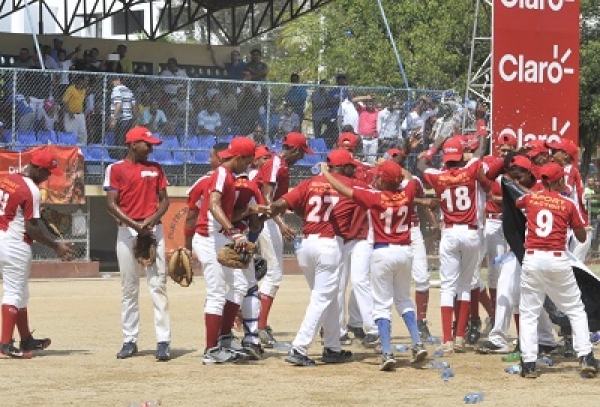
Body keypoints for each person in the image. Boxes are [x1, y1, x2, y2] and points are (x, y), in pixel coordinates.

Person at [322, 159, 434, 371]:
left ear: (383, 180)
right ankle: (417, 342)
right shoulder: (407, 193)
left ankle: (386, 352)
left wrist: (326, 173)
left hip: (382, 252)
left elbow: (344, 190)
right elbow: (409, 178)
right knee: (404, 300)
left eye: (380, 176)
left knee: (382, 304)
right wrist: (394, 166)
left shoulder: (375, 197)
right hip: (405, 252)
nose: (376, 178)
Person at [270, 149, 359, 366]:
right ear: (344, 167)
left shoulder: (310, 183)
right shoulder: (350, 185)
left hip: (307, 245)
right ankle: (299, 348)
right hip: (329, 245)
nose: (353, 170)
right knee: (321, 299)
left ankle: (332, 347)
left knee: (328, 298)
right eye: (351, 166)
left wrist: (267, 210)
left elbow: (281, 204)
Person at [417, 133, 503, 355]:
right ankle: (460, 338)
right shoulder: (471, 169)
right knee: (466, 286)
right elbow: (480, 150)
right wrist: (482, 130)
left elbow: (421, 164)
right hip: (471, 233)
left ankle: (447, 340)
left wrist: (434, 146)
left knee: (448, 287)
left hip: (450, 233)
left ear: (446, 157)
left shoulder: (438, 176)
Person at [515, 162, 598, 378]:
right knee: (575, 309)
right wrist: (578, 227)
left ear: (543, 180)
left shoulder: (531, 198)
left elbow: (517, 202)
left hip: (532, 259)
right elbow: (581, 237)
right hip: (557, 259)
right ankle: (585, 356)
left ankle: (530, 363)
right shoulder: (567, 203)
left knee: (529, 313)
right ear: (560, 180)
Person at [104, 126, 172, 362]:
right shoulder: (115, 168)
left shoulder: (156, 169)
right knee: (129, 287)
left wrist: (150, 222)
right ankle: (130, 339)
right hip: (127, 232)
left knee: (159, 285)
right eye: (147, 143)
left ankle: (163, 341)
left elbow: (164, 200)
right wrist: (135, 224)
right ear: (133, 144)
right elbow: (111, 205)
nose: (151, 147)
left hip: (154, 230)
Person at [0, 149, 74, 358]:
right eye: (47, 172)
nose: (49, 176)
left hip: (2, 237)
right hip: (16, 244)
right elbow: (31, 228)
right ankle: (4, 345)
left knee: (21, 293)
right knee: (14, 293)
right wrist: (56, 246)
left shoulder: (10, 178)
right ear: (38, 168)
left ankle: (26, 340)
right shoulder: (31, 190)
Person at [189, 138, 257, 364]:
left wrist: (250, 212)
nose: (248, 165)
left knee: (239, 285)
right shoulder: (221, 174)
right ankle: (211, 350)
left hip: (219, 236)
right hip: (209, 238)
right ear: (238, 157)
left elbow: (224, 210)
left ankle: (224, 338)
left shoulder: (228, 176)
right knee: (217, 293)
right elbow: (213, 205)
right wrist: (233, 232)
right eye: (247, 160)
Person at [254, 132, 313, 347]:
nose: (302, 158)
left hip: (269, 219)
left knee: (271, 273)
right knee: (274, 273)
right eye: (302, 153)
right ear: (295, 150)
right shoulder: (276, 164)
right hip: (267, 220)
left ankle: (256, 324)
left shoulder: (280, 165)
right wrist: (281, 223)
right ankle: (257, 326)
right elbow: (268, 198)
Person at [109, 76, 136, 159]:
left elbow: (118, 104)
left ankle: (121, 162)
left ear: (118, 80)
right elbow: (133, 106)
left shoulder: (116, 90)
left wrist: (114, 119)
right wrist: (135, 119)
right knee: (127, 142)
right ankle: (128, 161)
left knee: (119, 143)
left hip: (121, 120)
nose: (112, 83)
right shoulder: (128, 90)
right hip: (129, 119)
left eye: (113, 81)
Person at [352, 95, 380, 164]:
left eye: (372, 102)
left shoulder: (377, 112)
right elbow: (353, 100)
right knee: (362, 160)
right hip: (363, 139)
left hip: (373, 139)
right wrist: (366, 97)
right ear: (366, 103)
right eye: (369, 102)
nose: (370, 104)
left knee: (372, 161)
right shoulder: (362, 109)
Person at [62, 75, 88, 145]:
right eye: (85, 80)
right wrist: (70, 112)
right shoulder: (71, 89)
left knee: (83, 134)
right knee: (72, 135)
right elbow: (64, 101)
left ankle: (82, 152)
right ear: (80, 80)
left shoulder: (84, 90)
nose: (87, 82)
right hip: (71, 115)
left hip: (80, 115)